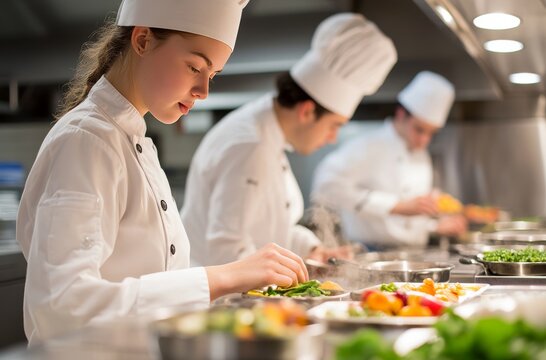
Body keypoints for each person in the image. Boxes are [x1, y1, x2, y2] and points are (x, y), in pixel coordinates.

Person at [16, 0, 310, 345]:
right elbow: (63, 308)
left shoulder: (131, 139)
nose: (203, 91)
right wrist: (222, 277)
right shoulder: (86, 141)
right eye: (194, 67)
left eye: (211, 75)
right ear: (142, 40)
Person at [181, 13, 397, 266]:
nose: (332, 138)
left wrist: (313, 249)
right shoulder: (250, 145)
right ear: (306, 111)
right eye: (334, 126)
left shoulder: (269, 134)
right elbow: (226, 250)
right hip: (223, 301)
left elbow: (270, 230)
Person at [311, 71, 468, 250]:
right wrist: (396, 206)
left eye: (431, 133)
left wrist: (434, 224)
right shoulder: (367, 146)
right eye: (419, 130)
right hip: (369, 251)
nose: (425, 140)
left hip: (412, 252)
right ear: (401, 115)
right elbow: (326, 185)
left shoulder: (421, 154)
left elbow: (407, 223)